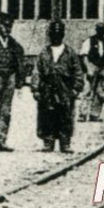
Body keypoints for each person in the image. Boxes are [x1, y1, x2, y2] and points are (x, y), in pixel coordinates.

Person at [31, 19, 83, 153]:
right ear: (50, 35)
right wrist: (36, 89)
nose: (56, 36)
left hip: (65, 89)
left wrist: (76, 89)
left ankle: (65, 143)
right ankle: (48, 142)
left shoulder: (70, 53)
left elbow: (78, 72)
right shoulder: (44, 53)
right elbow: (37, 71)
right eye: (53, 33)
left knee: (65, 115)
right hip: (47, 89)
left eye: (59, 33)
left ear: (63, 35)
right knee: (47, 115)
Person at [0, 13, 27, 151]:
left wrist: (19, 82)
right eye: (5, 26)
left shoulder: (14, 44)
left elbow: (20, 62)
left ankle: (0, 140)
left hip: (9, 78)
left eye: (10, 26)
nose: (7, 29)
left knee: (5, 111)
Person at [78, 22, 104, 123]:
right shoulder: (89, 41)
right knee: (87, 91)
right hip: (92, 65)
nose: (101, 32)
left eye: (103, 30)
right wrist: (88, 69)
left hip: (102, 67)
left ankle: (95, 114)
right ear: (96, 30)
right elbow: (84, 56)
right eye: (99, 30)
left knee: (100, 93)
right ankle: (83, 114)